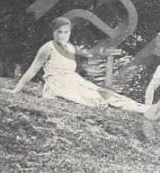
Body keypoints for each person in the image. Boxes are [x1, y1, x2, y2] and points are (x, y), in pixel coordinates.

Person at [11, 17, 145, 111]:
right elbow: (32, 70)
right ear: (53, 33)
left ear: (70, 32)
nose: (63, 35)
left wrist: (104, 51)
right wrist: (15, 90)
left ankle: (144, 109)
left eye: (66, 32)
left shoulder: (70, 47)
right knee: (96, 100)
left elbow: (89, 53)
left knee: (107, 95)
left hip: (73, 80)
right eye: (59, 32)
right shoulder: (48, 47)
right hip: (57, 83)